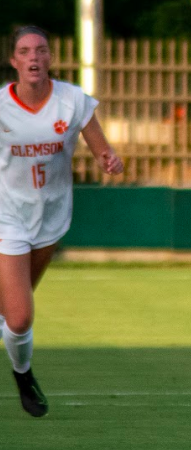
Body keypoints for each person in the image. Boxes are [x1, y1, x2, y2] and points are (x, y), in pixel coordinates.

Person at [0, 26, 124, 418]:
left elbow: (101, 148)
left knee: (10, 311)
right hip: (7, 215)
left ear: (50, 57)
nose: (34, 57)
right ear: (14, 61)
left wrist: (110, 160)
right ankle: (24, 375)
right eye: (25, 51)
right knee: (20, 315)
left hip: (51, 215)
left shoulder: (72, 101)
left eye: (40, 50)